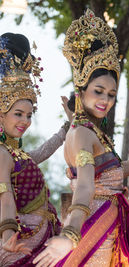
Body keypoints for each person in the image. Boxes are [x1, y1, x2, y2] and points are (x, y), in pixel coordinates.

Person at [33, 10, 129, 267]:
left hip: (107, 223)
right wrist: (70, 234)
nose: (105, 100)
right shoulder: (81, 133)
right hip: (92, 224)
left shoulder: (93, 133)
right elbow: (84, 186)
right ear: (80, 92)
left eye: (111, 94)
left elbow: (116, 171)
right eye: (98, 91)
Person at [0, 32, 71, 266]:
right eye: (18, 114)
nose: (25, 121)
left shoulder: (15, 153)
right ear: (1, 115)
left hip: (38, 235)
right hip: (22, 241)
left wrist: (67, 128)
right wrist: (8, 232)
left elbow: (42, 152)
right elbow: (5, 197)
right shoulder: (1, 154)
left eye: (29, 115)